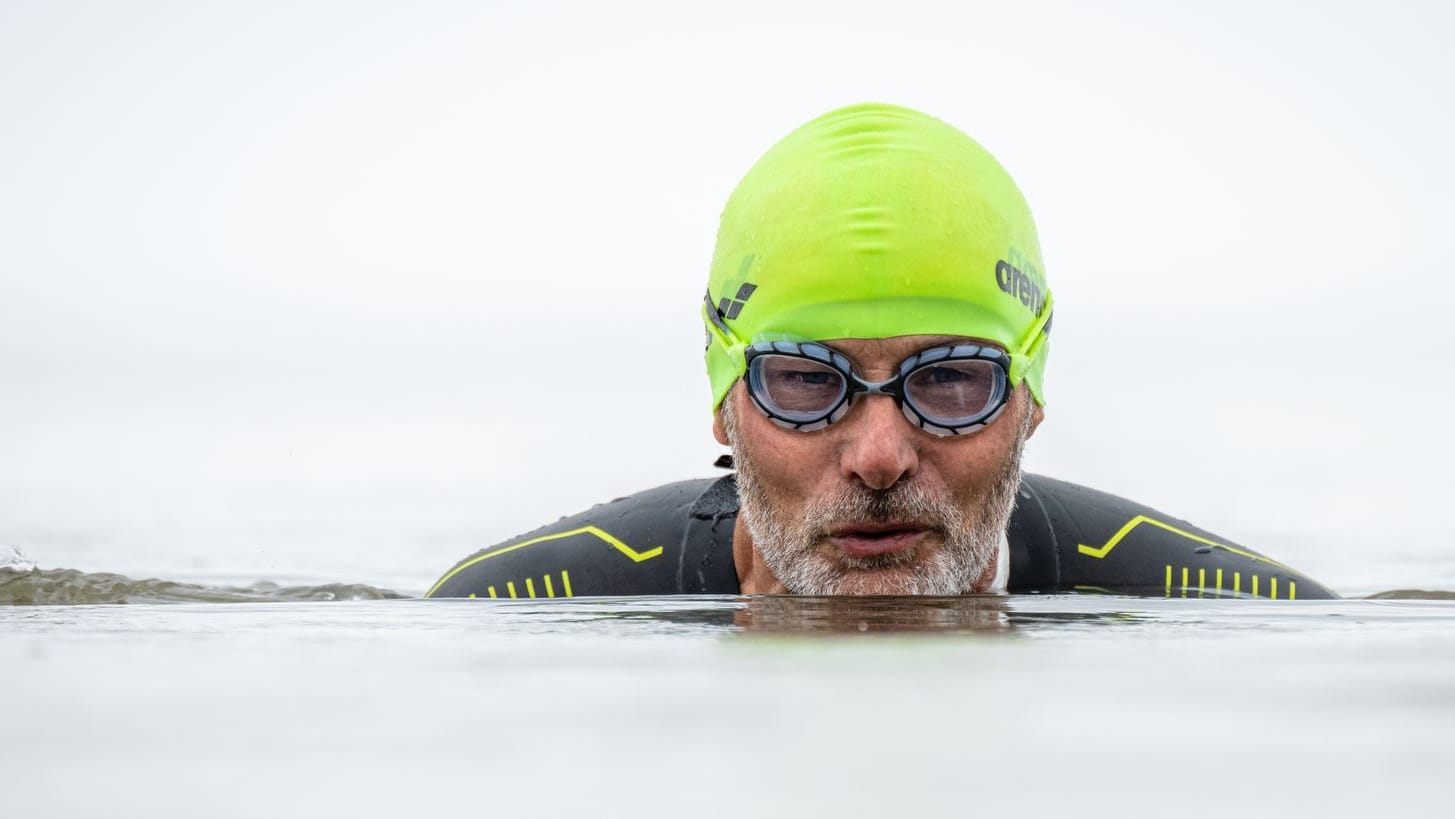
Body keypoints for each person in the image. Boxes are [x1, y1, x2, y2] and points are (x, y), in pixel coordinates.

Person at [427, 103, 1335, 601]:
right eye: (803, 381)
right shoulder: (509, 609)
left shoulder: (1242, 612)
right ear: (721, 399)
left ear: (1029, 396)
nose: (876, 457)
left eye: (947, 380)